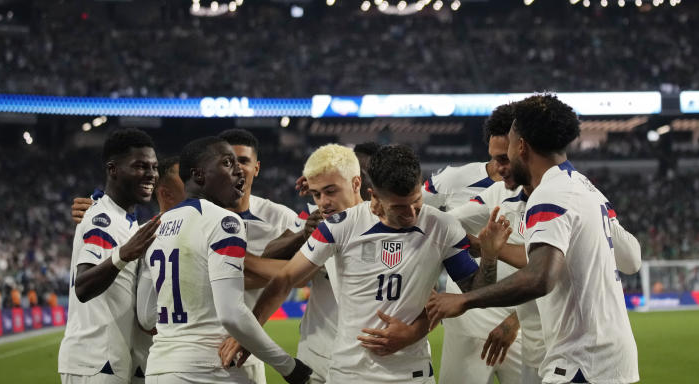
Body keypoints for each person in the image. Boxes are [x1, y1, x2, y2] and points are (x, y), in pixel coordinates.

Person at [234, 144, 511, 383]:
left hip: (411, 374)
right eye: (399, 207)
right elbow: (285, 279)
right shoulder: (339, 226)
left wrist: (489, 255)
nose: (412, 213)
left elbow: (477, 293)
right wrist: (248, 334)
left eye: (416, 201)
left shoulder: (443, 226)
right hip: (348, 373)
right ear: (375, 197)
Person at [427, 95, 639, 384]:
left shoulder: (548, 195)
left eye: (509, 147)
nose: (502, 163)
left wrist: (466, 300)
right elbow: (623, 259)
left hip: (580, 361)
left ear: (521, 146)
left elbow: (541, 277)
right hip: (606, 358)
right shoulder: (583, 187)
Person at [136, 136, 311, 384]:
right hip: (215, 369)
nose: (238, 171)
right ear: (199, 176)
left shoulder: (154, 227)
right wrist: (288, 366)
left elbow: (146, 315)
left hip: (162, 368)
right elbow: (231, 314)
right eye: (228, 164)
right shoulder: (224, 222)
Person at [426, 103, 529, 384]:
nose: (499, 166)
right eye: (495, 156)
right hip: (467, 317)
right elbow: (415, 220)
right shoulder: (454, 179)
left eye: (506, 157)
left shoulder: (543, 193)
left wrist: (516, 321)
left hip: (523, 318)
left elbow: (549, 265)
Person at [58, 128, 162, 384]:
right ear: (113, 169)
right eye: (140, 166)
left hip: (114, 360)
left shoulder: (128, 223)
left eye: (154, 167)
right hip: (95, 360)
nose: (150, 174)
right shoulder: (101, 219)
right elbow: (82, 286)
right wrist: (123, 255)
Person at [219, 128, 298, 384]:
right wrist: (269, 269)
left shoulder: (281, 218)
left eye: (243, 160)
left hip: (247, 353)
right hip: (194, 349)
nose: (237, 168)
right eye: (228, 162)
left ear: (257, 167)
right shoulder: (200, 216)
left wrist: (232, 264)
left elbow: (303, 272)